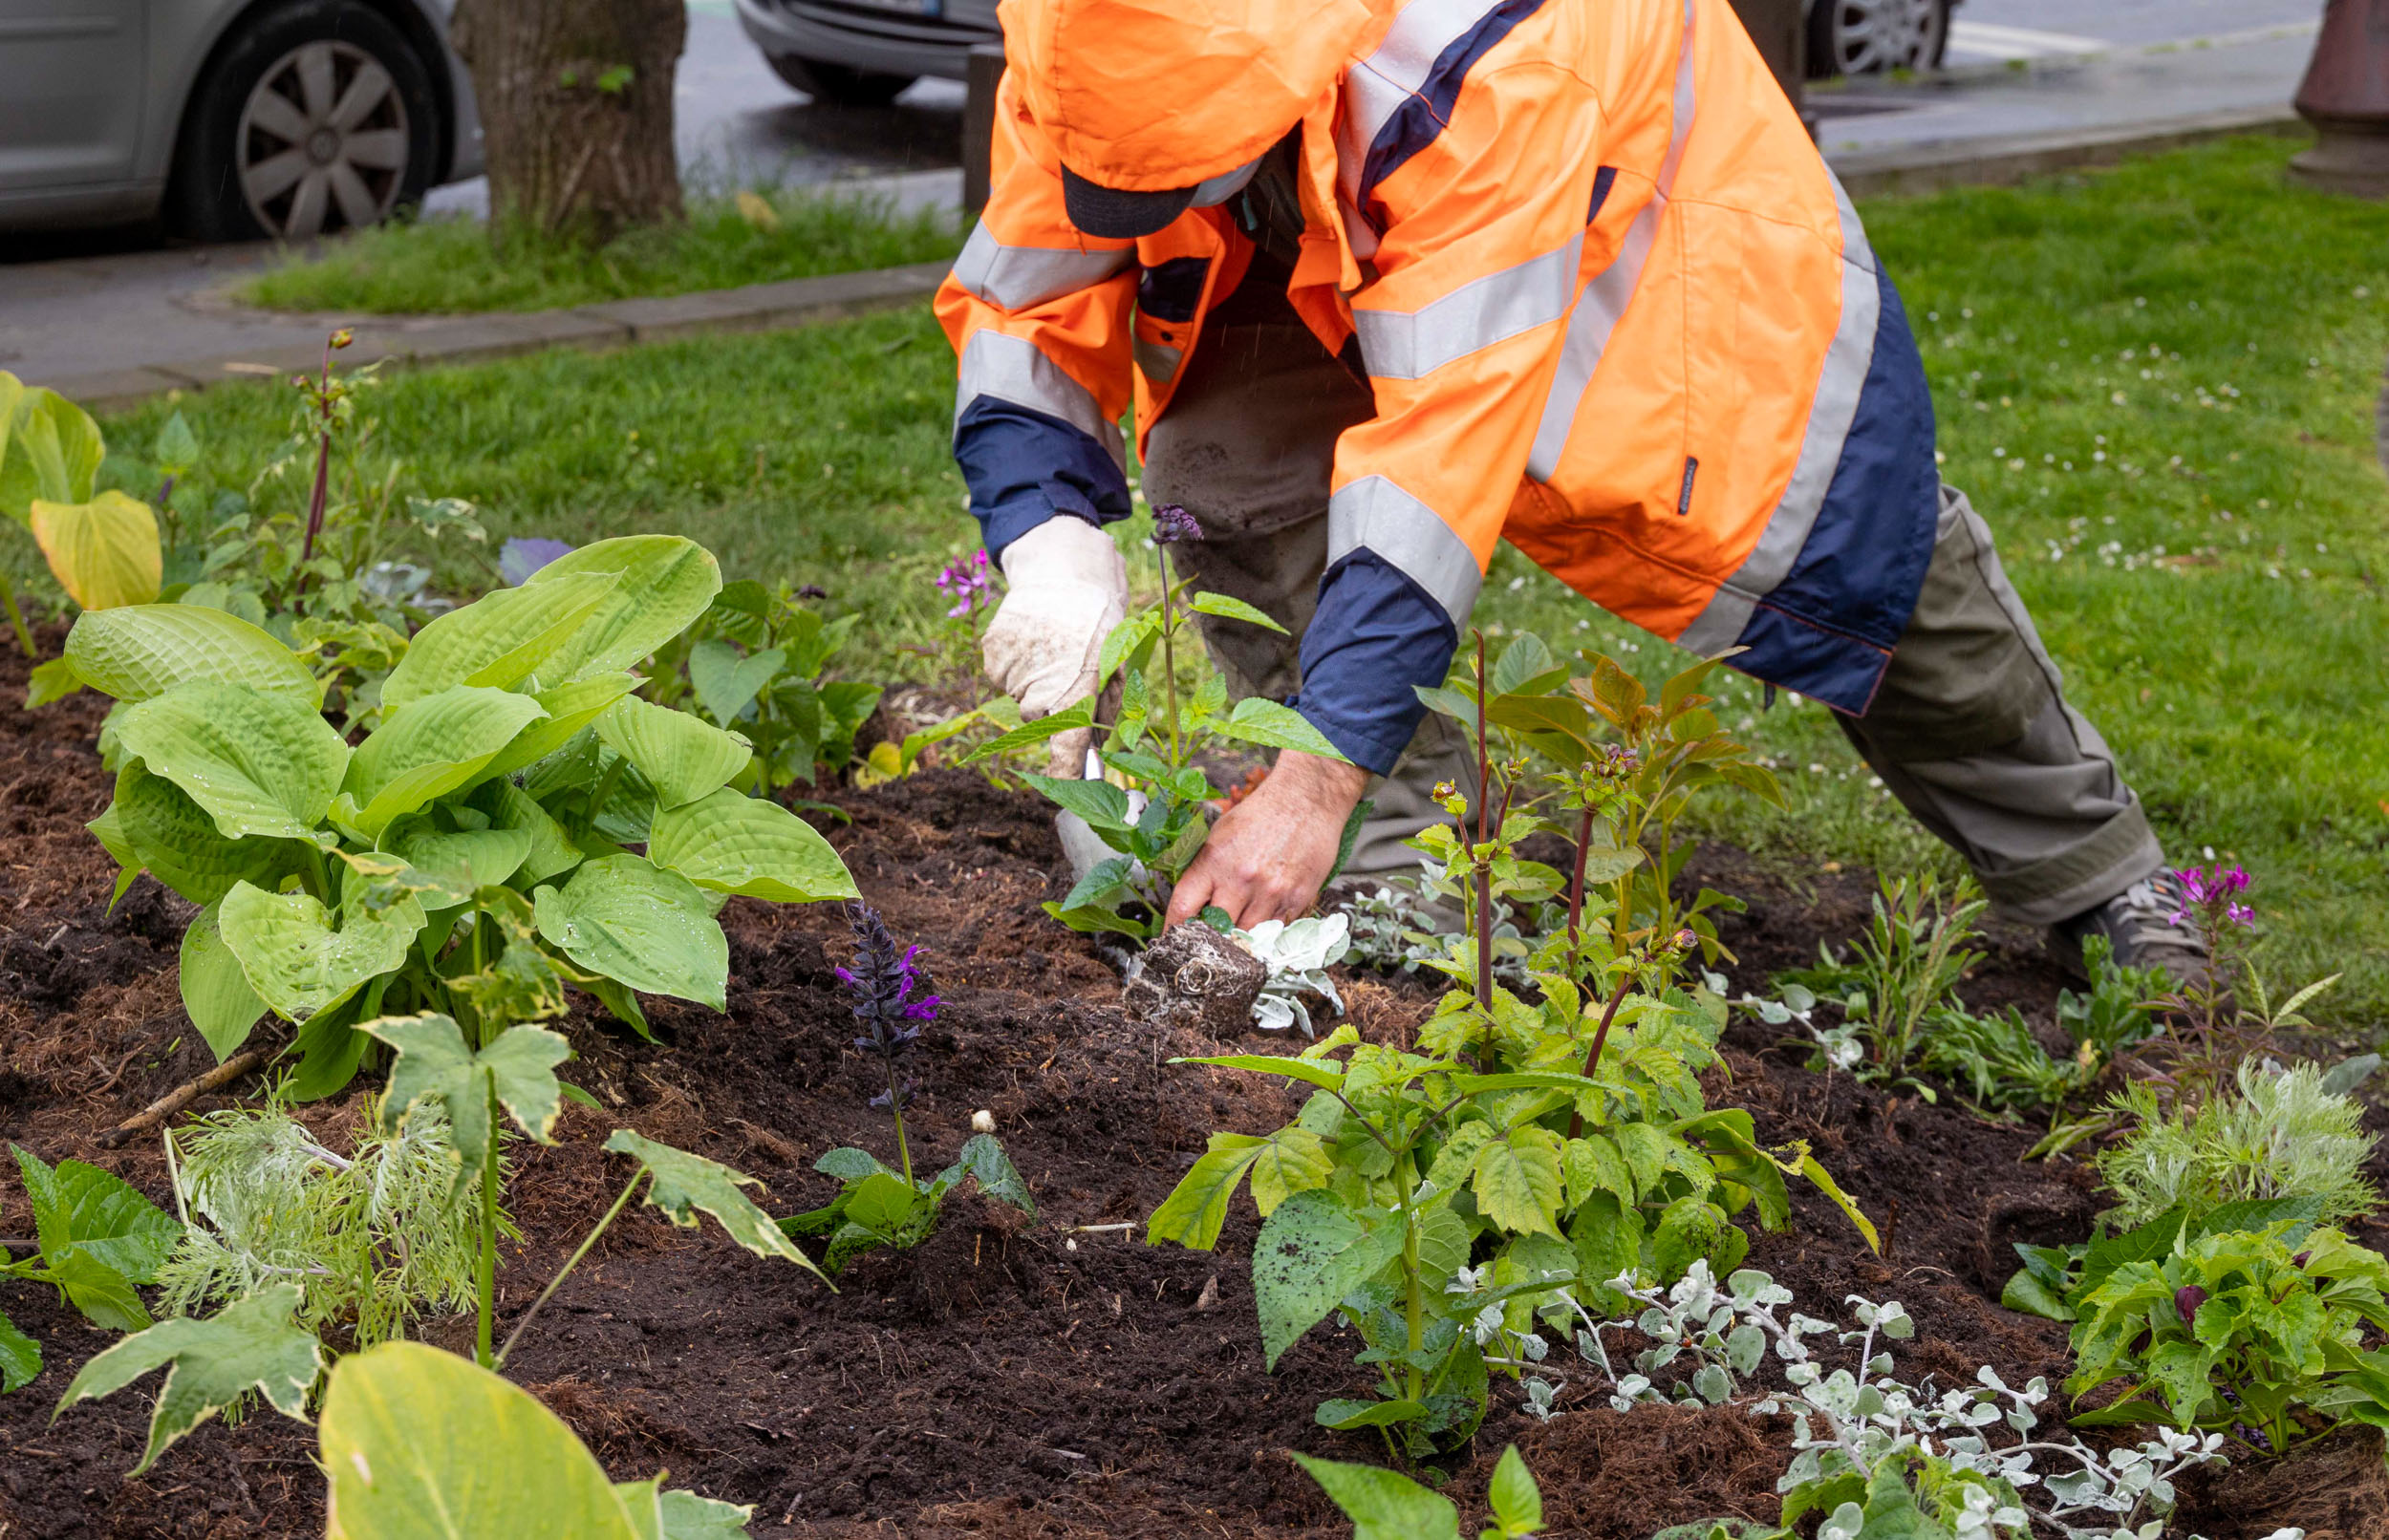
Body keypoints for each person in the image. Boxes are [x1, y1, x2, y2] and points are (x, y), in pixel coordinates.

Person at [935, 0, 2205, 980]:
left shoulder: (1477, 60)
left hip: (1641, 214)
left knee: (1845, 556)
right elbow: (1025, 291)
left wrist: (1312, 779)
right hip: (1300, 178)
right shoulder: (1089, 37)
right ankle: (1409, 911)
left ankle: (2098, 875)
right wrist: (1049, 547)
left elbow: (1438, 461)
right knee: (1241, 484)